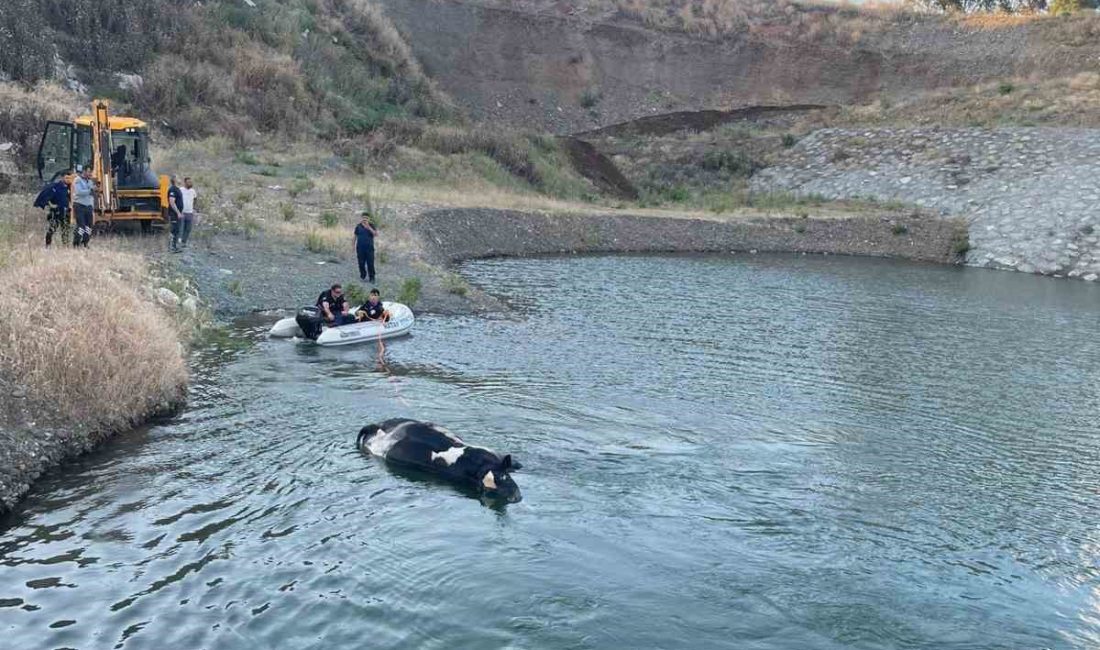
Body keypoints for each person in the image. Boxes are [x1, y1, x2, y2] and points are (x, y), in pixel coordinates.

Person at [33, 171, 71, 247]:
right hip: (56, 212)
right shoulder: (54, 186)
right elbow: (47, 196)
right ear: (62, 177)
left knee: (65, 230)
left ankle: (65, 246)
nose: (68, 179)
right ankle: (48, 245)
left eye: (69, 178)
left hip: (66, 211)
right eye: (66, 178)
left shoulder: (70, 187)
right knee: (52, 229)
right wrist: (51, 205)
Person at [71, 166, 96, 247]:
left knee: (89, 226)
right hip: (79, 205)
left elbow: (92, 193)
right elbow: (78, 192)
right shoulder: (77, 180)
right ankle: (76, 243)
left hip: (88, 206)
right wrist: (89, 191)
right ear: (84, 171)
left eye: (91, 172)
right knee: (81, 226)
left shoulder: (90, 181)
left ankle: (85, 242)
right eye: (89, 172)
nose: (90, 174)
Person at [353, 211, 378, 283]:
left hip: (369, 248)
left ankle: (372, 277)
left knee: (370, 263)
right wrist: (352, 245)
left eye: (366, 218)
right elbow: (355, 236)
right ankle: (363, 275)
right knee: (361, 263)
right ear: (361, 218)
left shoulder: (371, 225)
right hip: (360, 248)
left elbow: (376, 234)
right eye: (363, 218)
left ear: (369, 219)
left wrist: (369, 227)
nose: (365, 219)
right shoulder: (358, 226)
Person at [179, 177, 198, 249]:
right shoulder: (181, 190)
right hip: (182, 212)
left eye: (191, 182)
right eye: (189, 182)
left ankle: (184, 242)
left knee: (188, 228)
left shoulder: (193, 191)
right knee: (181, 228)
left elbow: (195, 199)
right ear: (185, 183)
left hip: (190, 212)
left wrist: (194, 208)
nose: (190, 183)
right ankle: (178, 242)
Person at [167, 175, 184, 253]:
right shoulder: (172, 189)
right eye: (178, 178)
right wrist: (177, 212)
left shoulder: (178, 189)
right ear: (174, 180)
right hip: (174, 214)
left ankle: (175, 247)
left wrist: (180, 212)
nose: (180, 179)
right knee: (173, 230)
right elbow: (172, 202)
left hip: (178, 213)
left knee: (177, 230)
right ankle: (171, 248)